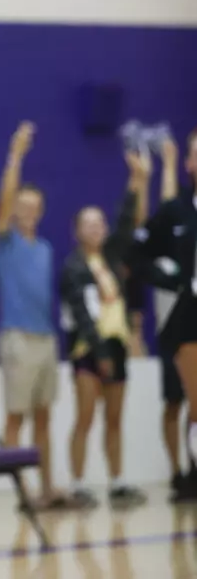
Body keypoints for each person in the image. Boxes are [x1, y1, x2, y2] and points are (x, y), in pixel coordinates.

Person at [60, 151, 151, 508]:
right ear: (77, 231)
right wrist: (98, 354)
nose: (96, 229)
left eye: (100, 223)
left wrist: (136, 180)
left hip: (115, 344)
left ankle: (117, 481)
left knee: (115, 418)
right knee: (85, 417)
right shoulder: (73, 269)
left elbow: (128, 220)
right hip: (88, 349)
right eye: (89, 224)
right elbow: (82, 315)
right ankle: (79, 483)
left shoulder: (112, 257)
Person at [0, 122, 65, 508]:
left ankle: (47, 488)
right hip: (17, 337)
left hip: (45, 337)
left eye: (34, 207)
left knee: (44, 418)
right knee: (16, 416)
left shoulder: (47, 248)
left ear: (41, 210)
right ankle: (21, 491)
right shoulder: (5, 241)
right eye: (22, 206)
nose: (27, 211)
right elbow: (3, 202)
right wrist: (16, 155)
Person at [129, 129, 197, 487]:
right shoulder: (176, 212)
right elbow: (138, 248)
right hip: (181, 320)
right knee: (178, 400)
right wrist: (169, 279)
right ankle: (178, 473)